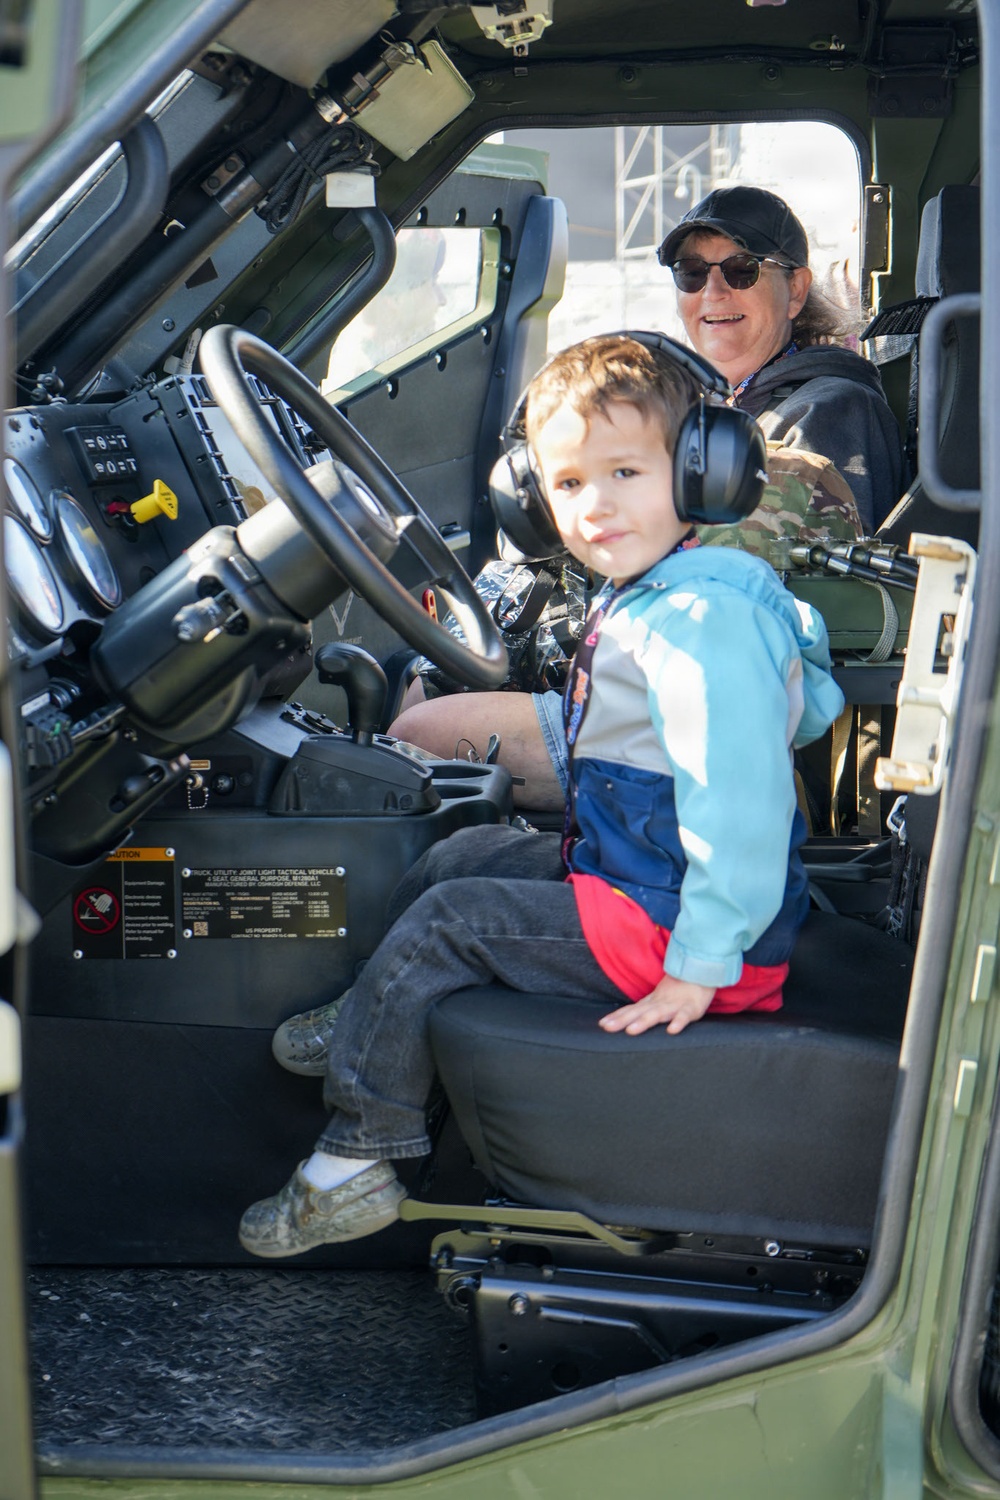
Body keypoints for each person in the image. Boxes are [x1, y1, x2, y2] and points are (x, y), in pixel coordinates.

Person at [238, 333, 844, 1258]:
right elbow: (806, 714)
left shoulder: (697, 623)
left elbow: (744, 805)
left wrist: (701, 963)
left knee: (450, 923)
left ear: (700, 472)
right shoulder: (684, 588)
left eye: (626, 472)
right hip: (641, 882)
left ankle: (352, 1159)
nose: (595, 507)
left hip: (681, 930)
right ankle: (376, 1015)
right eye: (566, 484)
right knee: (460, 856)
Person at [657, 183, 905, 535]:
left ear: (796, 290)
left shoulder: (830, 412)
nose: (712, 292)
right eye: (691, 272)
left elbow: (816, 580)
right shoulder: (682, 410)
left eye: (742, 269)